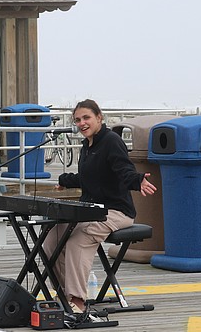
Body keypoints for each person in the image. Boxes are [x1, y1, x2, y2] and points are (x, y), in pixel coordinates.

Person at [43, 99, 157, 316]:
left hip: (116, 211)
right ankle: (63, 293)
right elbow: (90, 178)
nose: (81, 123)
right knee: (52, 237)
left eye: (86, 118)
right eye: (77, 120)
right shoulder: (87, 145)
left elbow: (124, 170)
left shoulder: (111, 141)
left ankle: (77, 299)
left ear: (99, 118)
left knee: (80, 238)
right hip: (90, 209)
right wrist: (66, 180)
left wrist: (137, 180)